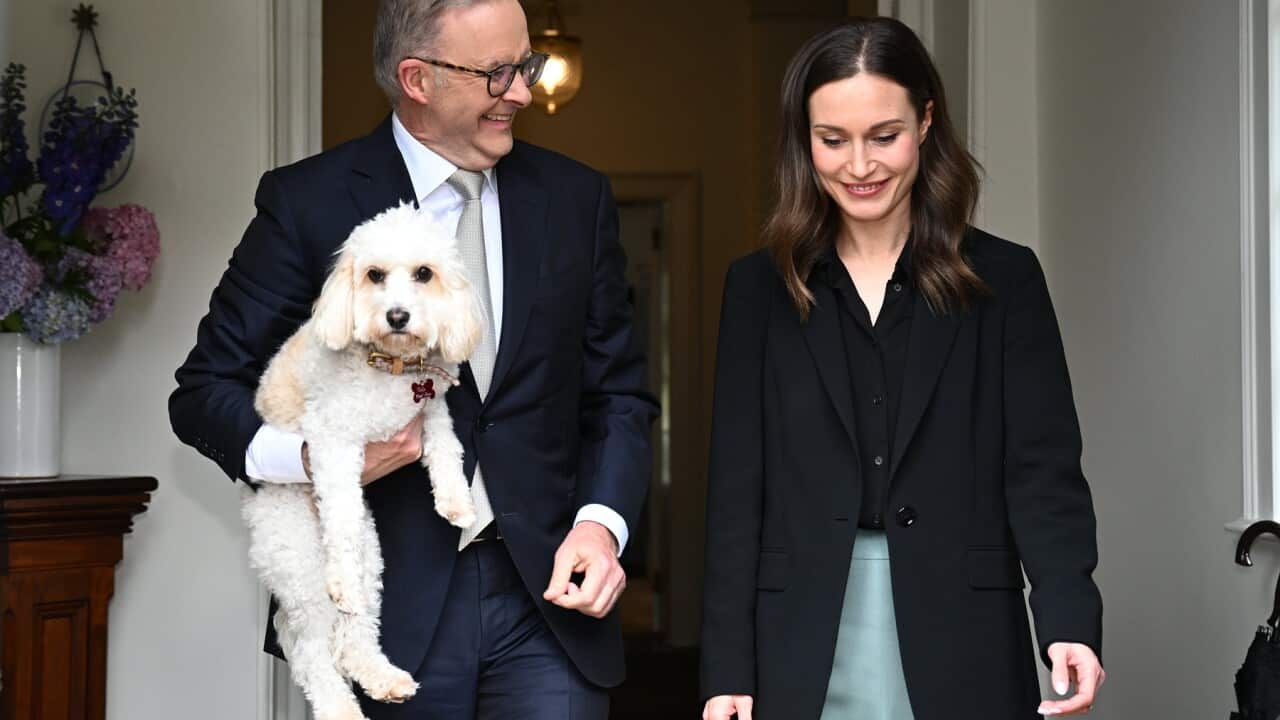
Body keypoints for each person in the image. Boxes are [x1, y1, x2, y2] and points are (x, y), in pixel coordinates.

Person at [168, 1, 657, 717]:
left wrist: (601, 525)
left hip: (549, 605)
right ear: (417, 79)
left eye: (525, 67)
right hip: (388, 606)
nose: (522, 92)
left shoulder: (576, 197)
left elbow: (618, 393)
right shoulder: (308, 202)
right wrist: (311, 459)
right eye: (498, 74)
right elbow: (204, 392)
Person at [700, 17, 1104, 720]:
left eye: (883, 136)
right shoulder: (756, 289)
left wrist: (1068, 617)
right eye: (832, 141)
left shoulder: (1005, 279)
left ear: (925, 121)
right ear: (805, 141)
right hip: (800, 635)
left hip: (964, 630)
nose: (859, 166)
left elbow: (1042, 470)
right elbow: (737, 491)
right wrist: (726, 667)